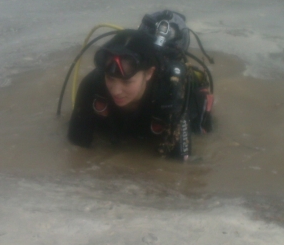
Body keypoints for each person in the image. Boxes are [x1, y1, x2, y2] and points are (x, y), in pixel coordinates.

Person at [67, 13, 214, 161]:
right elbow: (76, 147)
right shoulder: (93, 83)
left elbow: (179, 165)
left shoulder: (170, 93)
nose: (116, 91)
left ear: (149, 73)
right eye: (110, 78)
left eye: (127, 82)